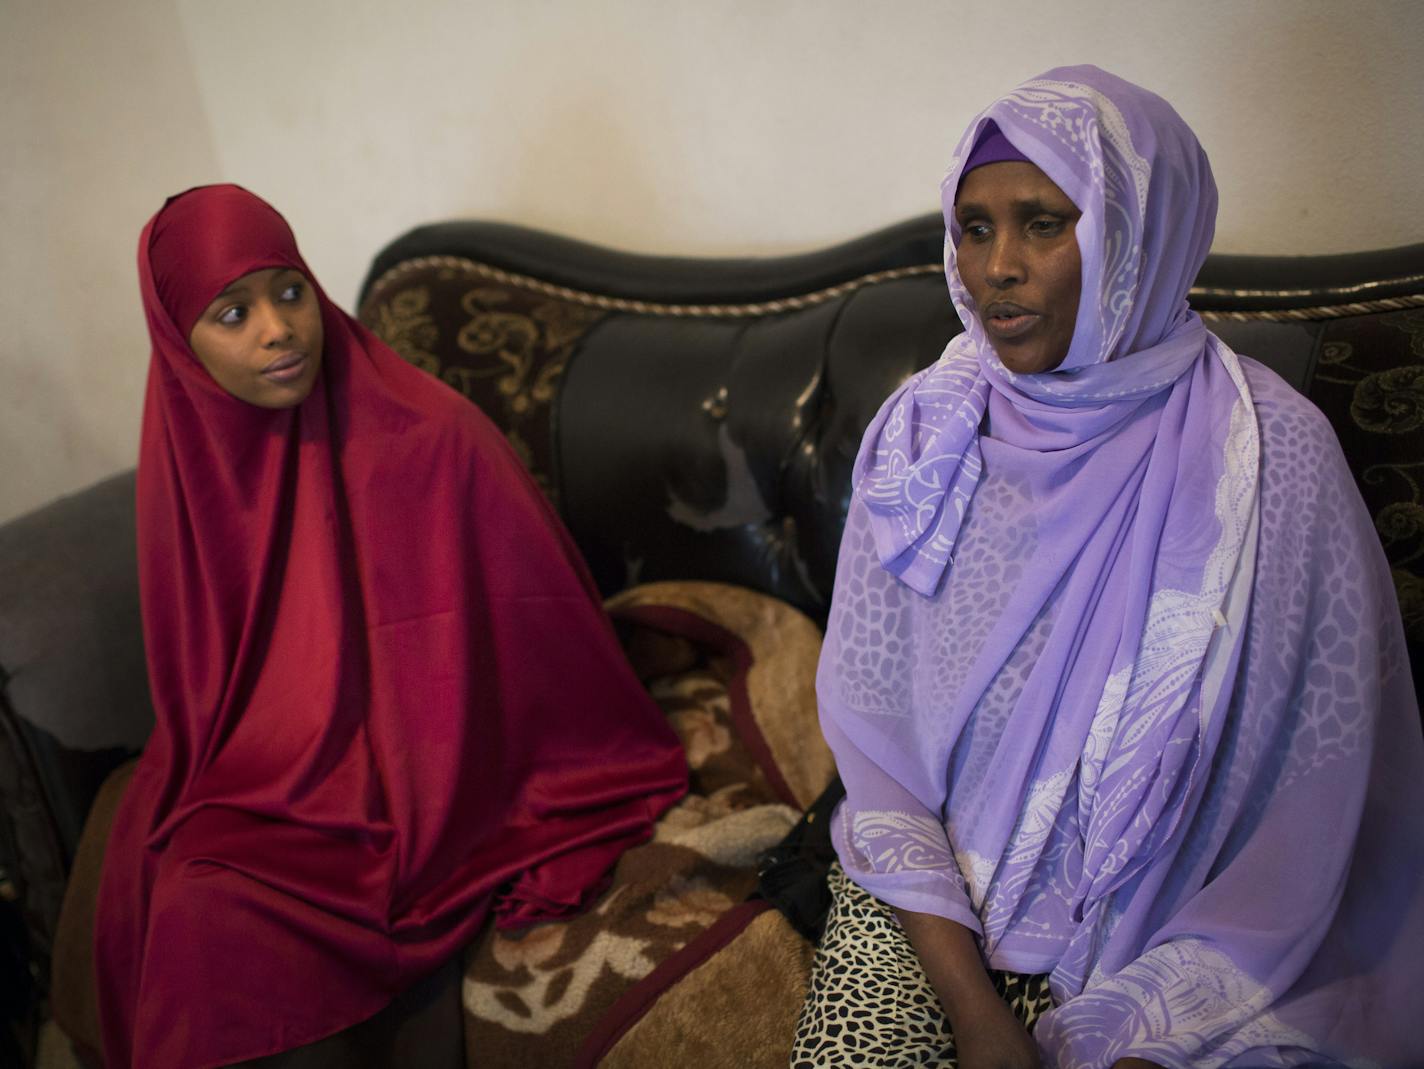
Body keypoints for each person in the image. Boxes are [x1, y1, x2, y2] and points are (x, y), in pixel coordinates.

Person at [796, 66, 1424, 1068]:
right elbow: (881, 765)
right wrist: (971, 1012)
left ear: (1138, 233)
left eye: (1043, 223)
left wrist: (1145, 1036)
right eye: (973, 226)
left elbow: (1306, 803)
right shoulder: (927, 435)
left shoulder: (1266, 454)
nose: (994, 267)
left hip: (1172, 929)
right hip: (927, 904)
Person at [94, 185, 689, 1068]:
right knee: (174, 881)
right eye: (233, 311)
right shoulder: (188, 468)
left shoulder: (431, 434)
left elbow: (531, 636)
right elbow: (212, 693)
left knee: (217, 912)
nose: (278, 329)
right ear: (181, 347)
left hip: (438, 764)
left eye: (289, 290)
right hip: (280, 770)